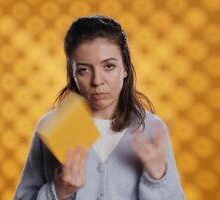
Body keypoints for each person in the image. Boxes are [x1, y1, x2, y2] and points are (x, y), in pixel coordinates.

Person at [14, 15, 185, 200]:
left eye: (109, 66)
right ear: (72, 74)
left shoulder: (151, 129)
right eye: (84, 70)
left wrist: (157, 179)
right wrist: (58, 191)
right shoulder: (53, 125)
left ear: (125, 68)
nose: (97, 81)